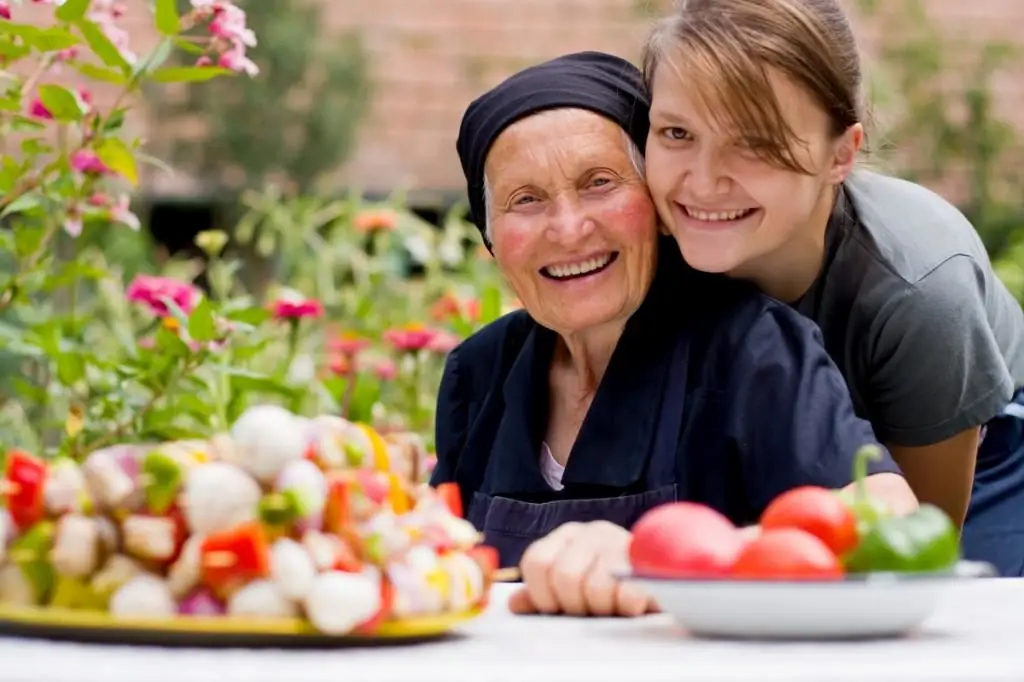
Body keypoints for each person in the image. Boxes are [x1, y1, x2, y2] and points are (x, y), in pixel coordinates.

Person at [432, 51, 918, 615]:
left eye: (599, 183)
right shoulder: (480, 371)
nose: (568, 230)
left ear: (658, 204)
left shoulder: (750, 347)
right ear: (491, 238)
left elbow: (889, 514)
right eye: (526, 200)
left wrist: (668, 557)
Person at [639, 0, 1024, 576]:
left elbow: (916, 536)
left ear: (840, 153)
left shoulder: (918, 290)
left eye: (755, 142)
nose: (703, 180)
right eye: (676, 132)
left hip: (980, 451)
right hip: (792, 440)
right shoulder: (651, 240)